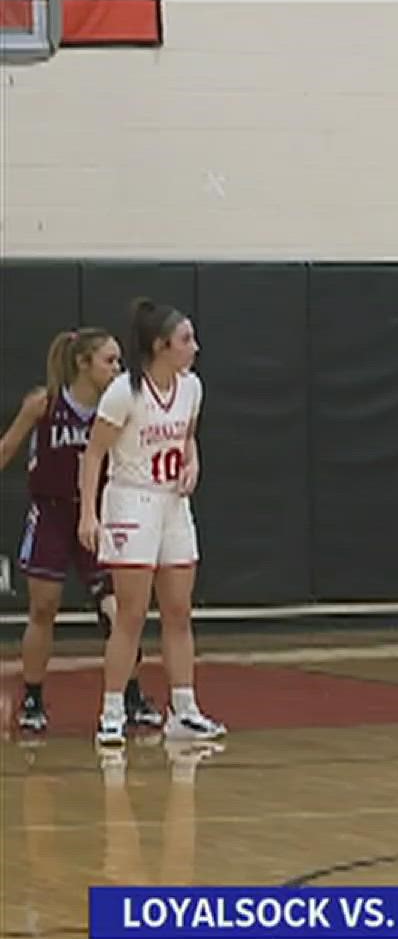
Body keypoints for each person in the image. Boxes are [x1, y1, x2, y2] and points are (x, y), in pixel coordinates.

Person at [77, 298, 227, 746]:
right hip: (131, 502)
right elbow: (95, 453)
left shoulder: (192, 388)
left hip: (173, 504)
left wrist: (193, 464)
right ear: (161, 346)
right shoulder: (124, 391)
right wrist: (89, 512)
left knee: (179, 612)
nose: (195, 347)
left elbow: (188, 438)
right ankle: (111, 712)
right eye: (186, 340)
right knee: (131, 615)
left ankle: (184, 709)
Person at [0, 328, 159, 733]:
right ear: (82, 364)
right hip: (51, 514)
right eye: (110, 360)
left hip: (99, 514)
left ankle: (131, 694)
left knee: (117, 613)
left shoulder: (117, 408)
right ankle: (33, 697)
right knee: (43, 608)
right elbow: (6, 449)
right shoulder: (43, 405)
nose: (118, 368)